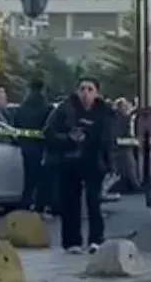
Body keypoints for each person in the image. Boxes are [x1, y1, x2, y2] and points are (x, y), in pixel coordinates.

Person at [44, 76, 114, 254]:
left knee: (94, 202)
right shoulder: (65, 109)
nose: (86, 93)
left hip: (94, 161)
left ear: (97, 93)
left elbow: (110, 139)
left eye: (90, 89)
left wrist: (110, 163)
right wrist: (68, 138)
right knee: (70, 203)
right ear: (77, 91)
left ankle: (96, 240)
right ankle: (72, 242)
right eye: (82, 89)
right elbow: (49, 132)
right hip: (69, 160)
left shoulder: (104, 111)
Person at [13, 79, 52, 212]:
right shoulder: (46, 108)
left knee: (29, 178)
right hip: (41, 148)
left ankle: (25, 203)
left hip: (23, 147)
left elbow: (15, 127)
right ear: (42, 90)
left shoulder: (22, 109)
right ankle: (39, 205)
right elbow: (49, 128)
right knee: (42, 179)